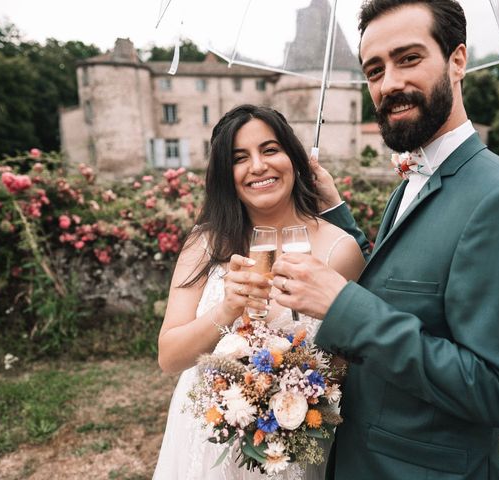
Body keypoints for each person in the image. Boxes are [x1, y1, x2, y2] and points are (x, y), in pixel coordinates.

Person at [271, 1, 499, 478]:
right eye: (374, 69)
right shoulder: (414, 181)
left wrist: (342, 306)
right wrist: (335, 210)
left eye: (409, 59)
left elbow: (495, 390)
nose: (389, 84)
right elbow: (399, 289)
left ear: (457, 60)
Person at [153, 104, 365, 480]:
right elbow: (169, 357)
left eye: (270, 150)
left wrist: (290, 391)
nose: (258, 166)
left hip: (292, 449)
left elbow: (348, 367)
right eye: (239, 158)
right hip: (205, 440)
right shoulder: (205, 242)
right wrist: (226, 309)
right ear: (225, 174)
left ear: (293, 157)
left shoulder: (339, 250)